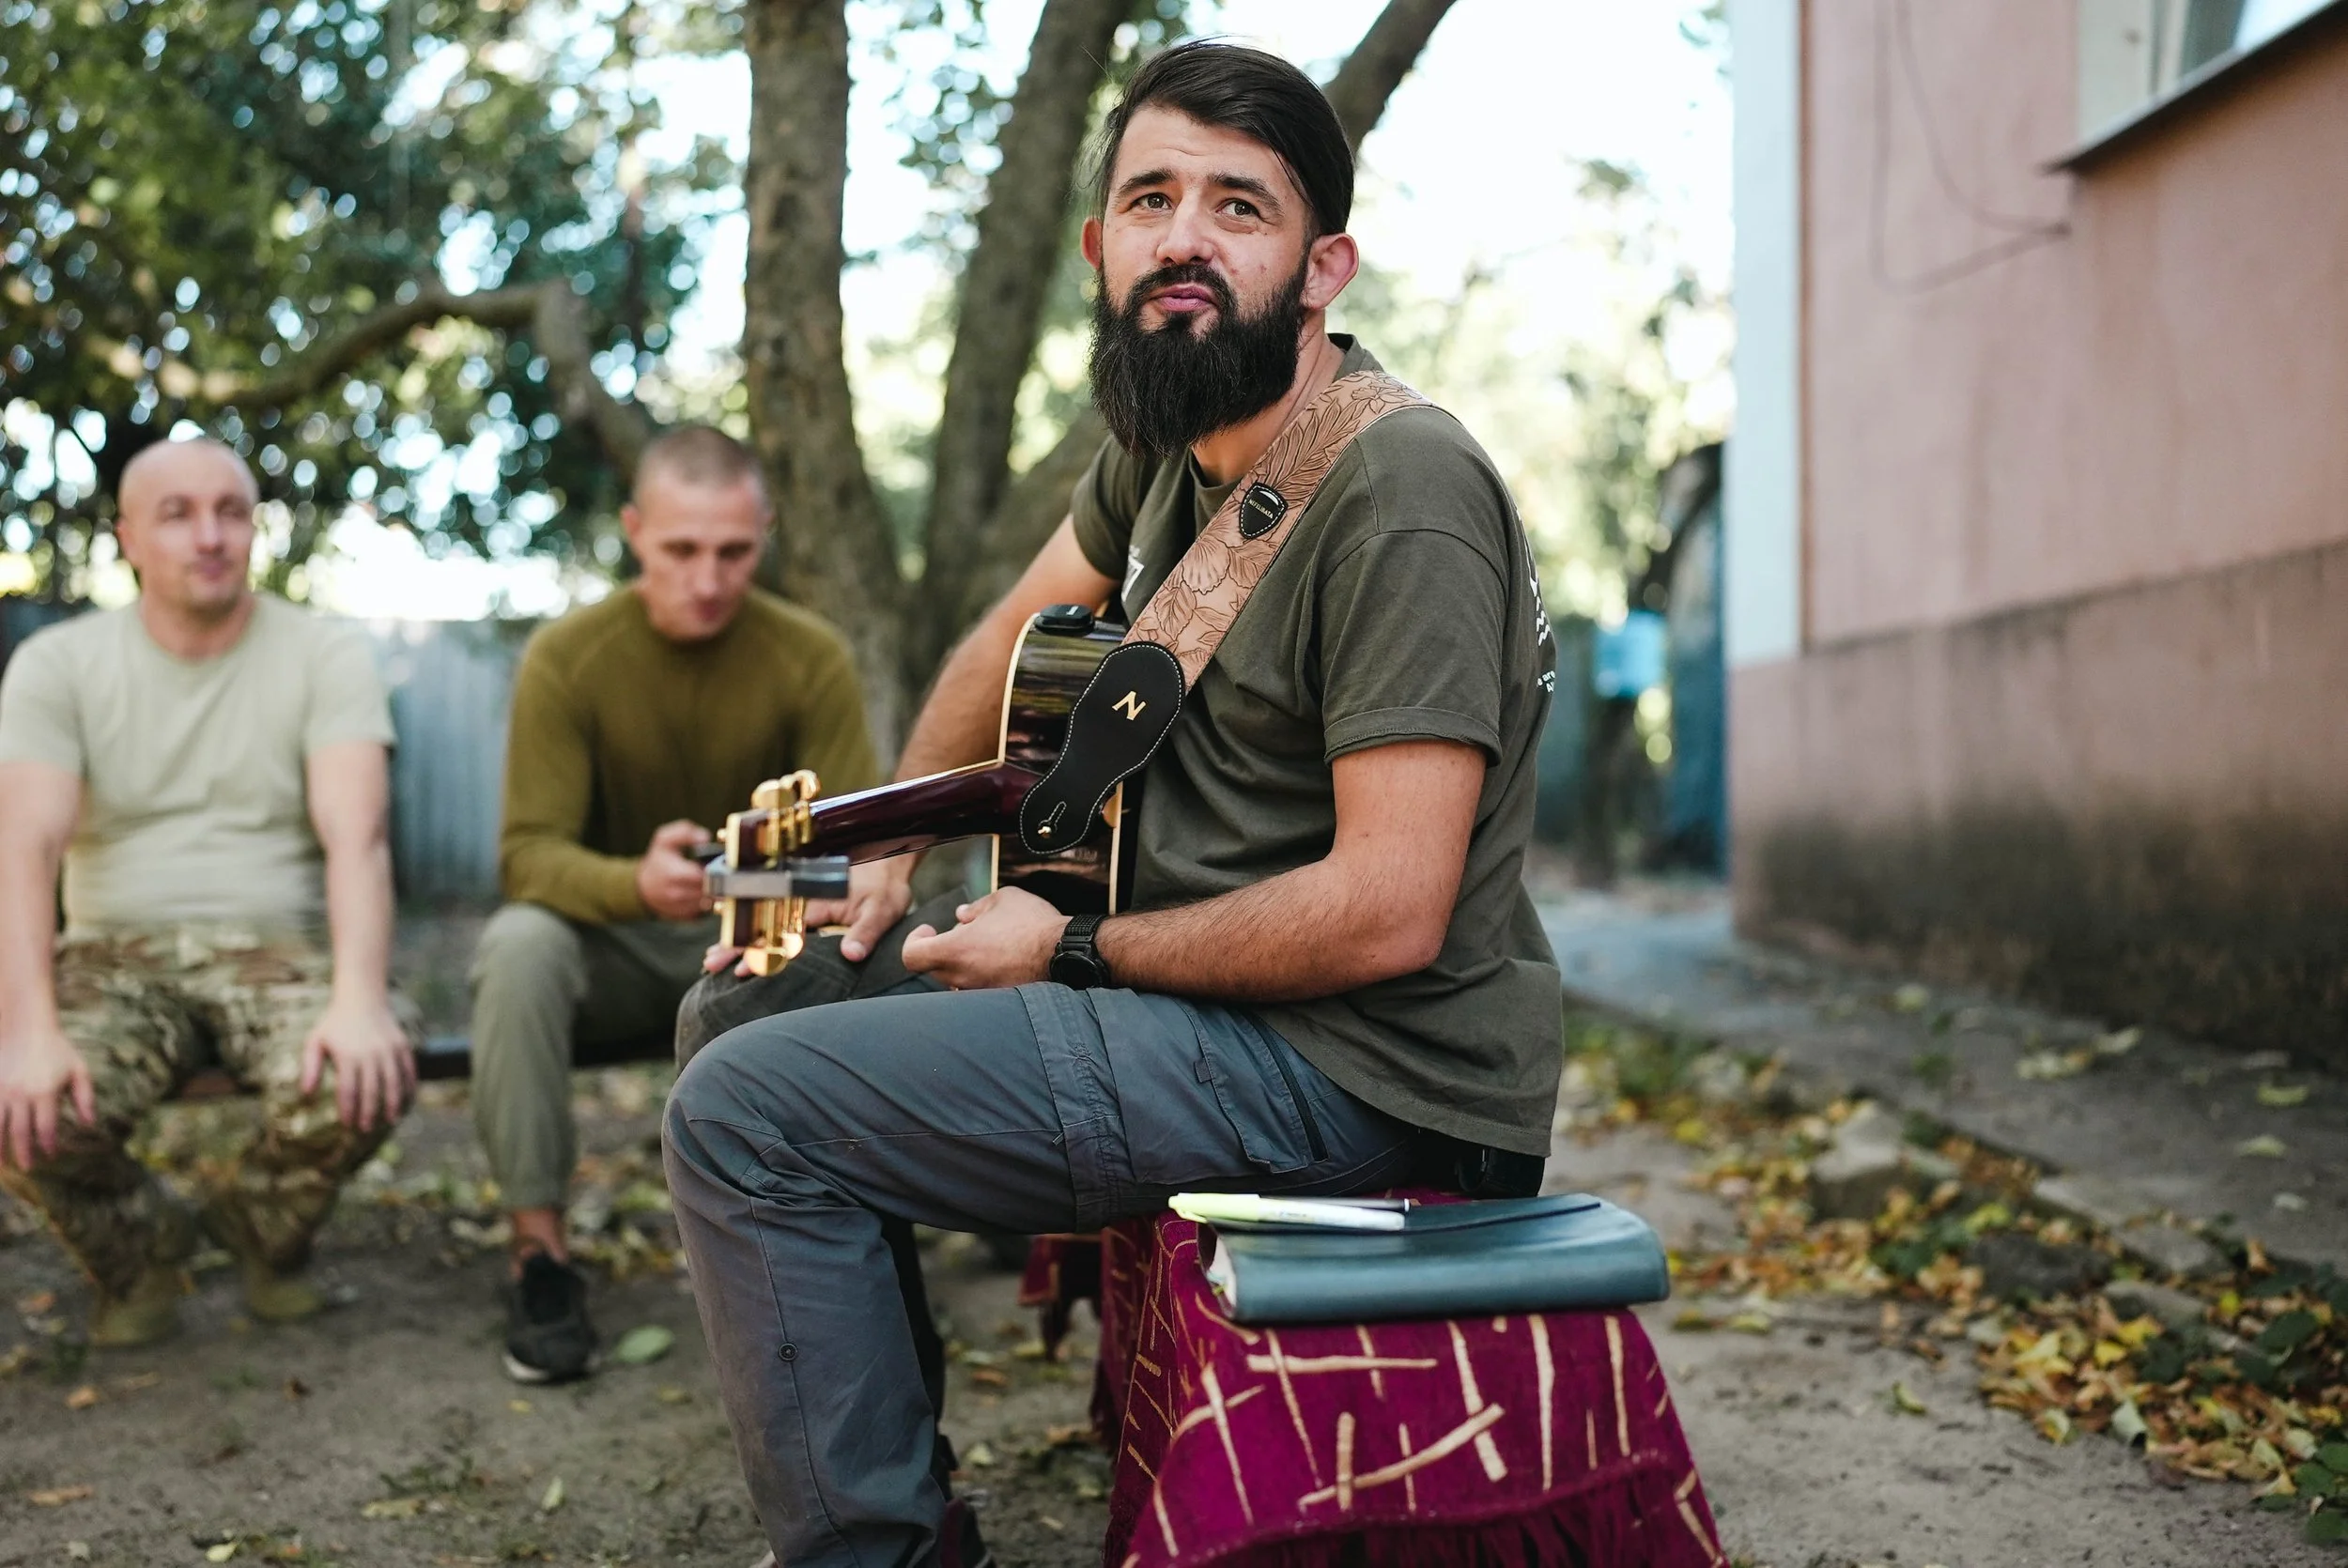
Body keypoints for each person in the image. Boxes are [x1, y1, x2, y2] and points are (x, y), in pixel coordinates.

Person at [663, 40, 1562, 1568]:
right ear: (1101, 250)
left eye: (1239, 206)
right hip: (1195, 1012)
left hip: (1363, 1079)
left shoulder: (1402, 493)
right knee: (740, 1018)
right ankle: (888, 1484)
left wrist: (1071, 949)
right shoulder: (1166, 447)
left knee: (746, 1119)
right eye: (1150, 199)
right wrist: (895, 848)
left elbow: (1392, 908)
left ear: (1323, 265)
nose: (1184, 239)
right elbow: (1014, 633)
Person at [470, 423, 878, 1384]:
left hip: (763, 949)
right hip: (615, 946)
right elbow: (526, 857)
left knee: (882, 939)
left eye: (733, 551)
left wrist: (739, 889)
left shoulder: (807, 655)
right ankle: (539, 1256)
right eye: (680, 550)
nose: (707, 577)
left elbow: (857, 855)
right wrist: (634, 883)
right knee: (518, 946)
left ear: (765, 533)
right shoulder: (570, 657)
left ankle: (849, 1233)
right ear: (633, 532)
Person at [0, 437, 418, 1345]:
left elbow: (361, 835)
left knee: (367, 1067)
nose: (211, 534)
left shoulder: (324, 653)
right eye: (177, 513)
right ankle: (146, 1251)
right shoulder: (56, 666)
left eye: (232, 510)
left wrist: (357, 999)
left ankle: (253, 1230)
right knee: (16, 1097)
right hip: (113, 949)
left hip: (276, 942)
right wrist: (27, 1029)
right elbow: (23, 848)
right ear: (127, 539)